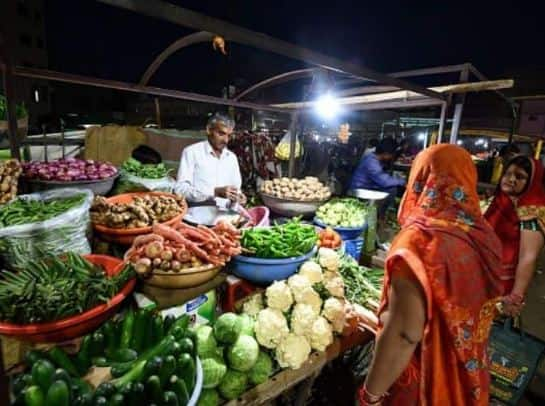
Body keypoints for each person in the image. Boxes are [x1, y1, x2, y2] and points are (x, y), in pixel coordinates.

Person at [359, 144, 502, 406]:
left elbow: (404, 335)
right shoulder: (485, 237)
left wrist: (370, 395)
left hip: (427, 381)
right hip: (469, 373)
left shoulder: (419, 242)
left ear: (421, 180)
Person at [484, 155, 545, 316]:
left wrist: (515, 297)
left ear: (532, 181)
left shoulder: (531, 211)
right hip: (481, 274)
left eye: (520, 177)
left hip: (502, 284)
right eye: (508, 173)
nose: (511, 179)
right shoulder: (499, 202)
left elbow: (528, 256)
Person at [175, 113, 246, 206]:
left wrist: (239, 197)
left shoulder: (232, 158)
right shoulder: (191, 152)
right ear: (209, 130)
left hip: (224, 217)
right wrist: (214, 192)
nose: (226, 140)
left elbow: (236, 189)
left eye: (229, 136)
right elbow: (180, 190)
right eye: (221, 134)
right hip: (198, 217)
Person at [349, 138, 405, 217]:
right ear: (386, 153)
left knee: (391, 187)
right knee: (392, 189)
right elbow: (385, 182)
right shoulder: (372, 162)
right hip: (360, 189)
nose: (392, 157)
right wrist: (402, 181)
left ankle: (381, 213)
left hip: (368, 185)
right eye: (392, 155)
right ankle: (381, 215)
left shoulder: (372, 156)